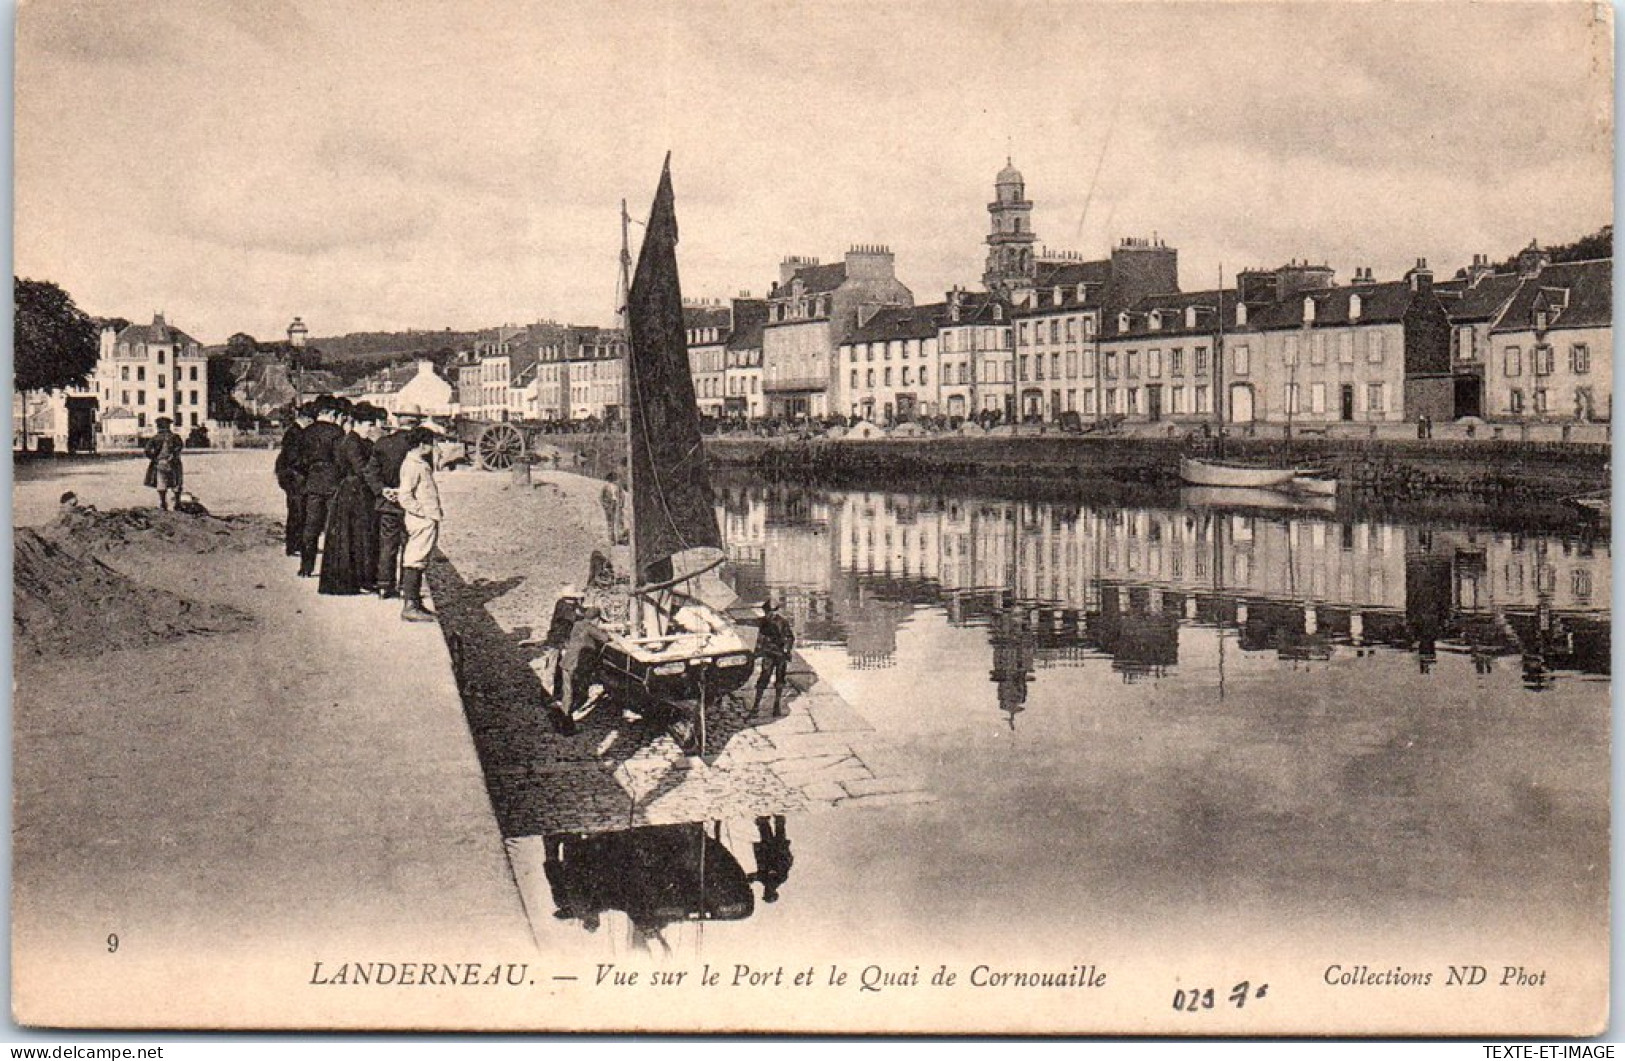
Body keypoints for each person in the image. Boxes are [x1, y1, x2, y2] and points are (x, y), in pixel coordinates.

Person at [363, 406, 426, 599]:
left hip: (388, 502)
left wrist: (383, 490)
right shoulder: (419, 446)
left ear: (398, 421)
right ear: (416, 424)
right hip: (412, 504)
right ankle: (406, 588)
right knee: (411, 546)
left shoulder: (383, 443)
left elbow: (370, 472)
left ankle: (384, 586)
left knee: (388, 544)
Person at [319, 406, 379, 595]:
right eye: (369, 425)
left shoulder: (360, 441)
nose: (372, 428)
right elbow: (361, 469)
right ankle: (351, 580)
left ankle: (362, 578)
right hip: (352, 493)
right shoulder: (352, 442)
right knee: (353, 537)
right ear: (359, 423)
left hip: (358, 492)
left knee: (360, 537)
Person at [394, 426, 442, 622]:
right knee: (415, 559)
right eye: (431, 444)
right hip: (421, 520)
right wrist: (424, 513)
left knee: (419, 558)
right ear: (422, 445)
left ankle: (415, 603)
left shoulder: (416, 462)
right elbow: (405, 496)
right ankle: (411, 606)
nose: (433, 447)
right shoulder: (414, 465)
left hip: (425, 519)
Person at [296, 398, 347, 578]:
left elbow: (298, 460)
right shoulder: (337, 432)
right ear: (332, 414)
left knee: (310, 526)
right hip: (333, 482)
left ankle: (306, 567)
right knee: (332, 526)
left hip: (312, 482)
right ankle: (331, 569)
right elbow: (341, 460)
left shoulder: (306, 432)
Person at [274, 405, 314, 556]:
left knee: (298, 510)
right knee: (296, 511)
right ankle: (292, 545)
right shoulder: (295, 433)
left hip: (292, 476)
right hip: (292, 477)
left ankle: (296, 544)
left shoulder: (294, 431)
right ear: (306, 419)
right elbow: (293, 458)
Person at [542, 584, 586, 700]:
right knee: (551, 669)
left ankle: (556, 693)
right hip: (556, 641)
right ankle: (547, 695)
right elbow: (575, 617)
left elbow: (580, 611)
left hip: (562, 640)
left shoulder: (568, 604)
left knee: (559, 668)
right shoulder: (563, 606)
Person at [752, 599, 795, 716]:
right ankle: (756, 706)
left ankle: (776, 705)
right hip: (768, 653)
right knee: (764, 677)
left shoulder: (782, 622)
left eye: (772, 612)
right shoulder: (763, 623)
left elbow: (790, 637)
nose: (770, 615)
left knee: (780, 680)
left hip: (780, 654)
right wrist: (758, 649)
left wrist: (787, 648)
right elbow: (759, 637)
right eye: (768, 612)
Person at [748, 815, 793, 903]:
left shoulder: (776, 880)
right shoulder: (776, 880)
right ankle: (766, 821)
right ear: (773, 892)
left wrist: (750, 879)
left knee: (775, 837)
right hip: (775, 854)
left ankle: (774, 821)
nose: (765, 892)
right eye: (767, 894)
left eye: (765, 894)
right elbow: (760, 875)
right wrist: (750, 879)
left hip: (775, 853)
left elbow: (757, 876)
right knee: (773, 838)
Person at [142, 417, 184, 511]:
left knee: (161, 483)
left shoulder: (155, 438)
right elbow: (179, 447)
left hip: (160, 463)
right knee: (176, 482)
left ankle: (163, 503)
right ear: (168, 426)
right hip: (174, 463)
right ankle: (177, 503)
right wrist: (173, 456)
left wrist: (154, 459)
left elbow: (147, 451)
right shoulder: (175, 437)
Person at [600, 471, 628, 545]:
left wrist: (621, 504)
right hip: (609, 506)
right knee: (610, 523)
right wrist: (606, 506)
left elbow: (622, 496)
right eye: (612, 478)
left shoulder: (618, 487)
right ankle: (612, 540)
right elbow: (601, 498)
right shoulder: (605, 487)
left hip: (617, 505)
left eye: (614, 478)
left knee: (620, 521)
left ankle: (620, 538)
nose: (614, 480)